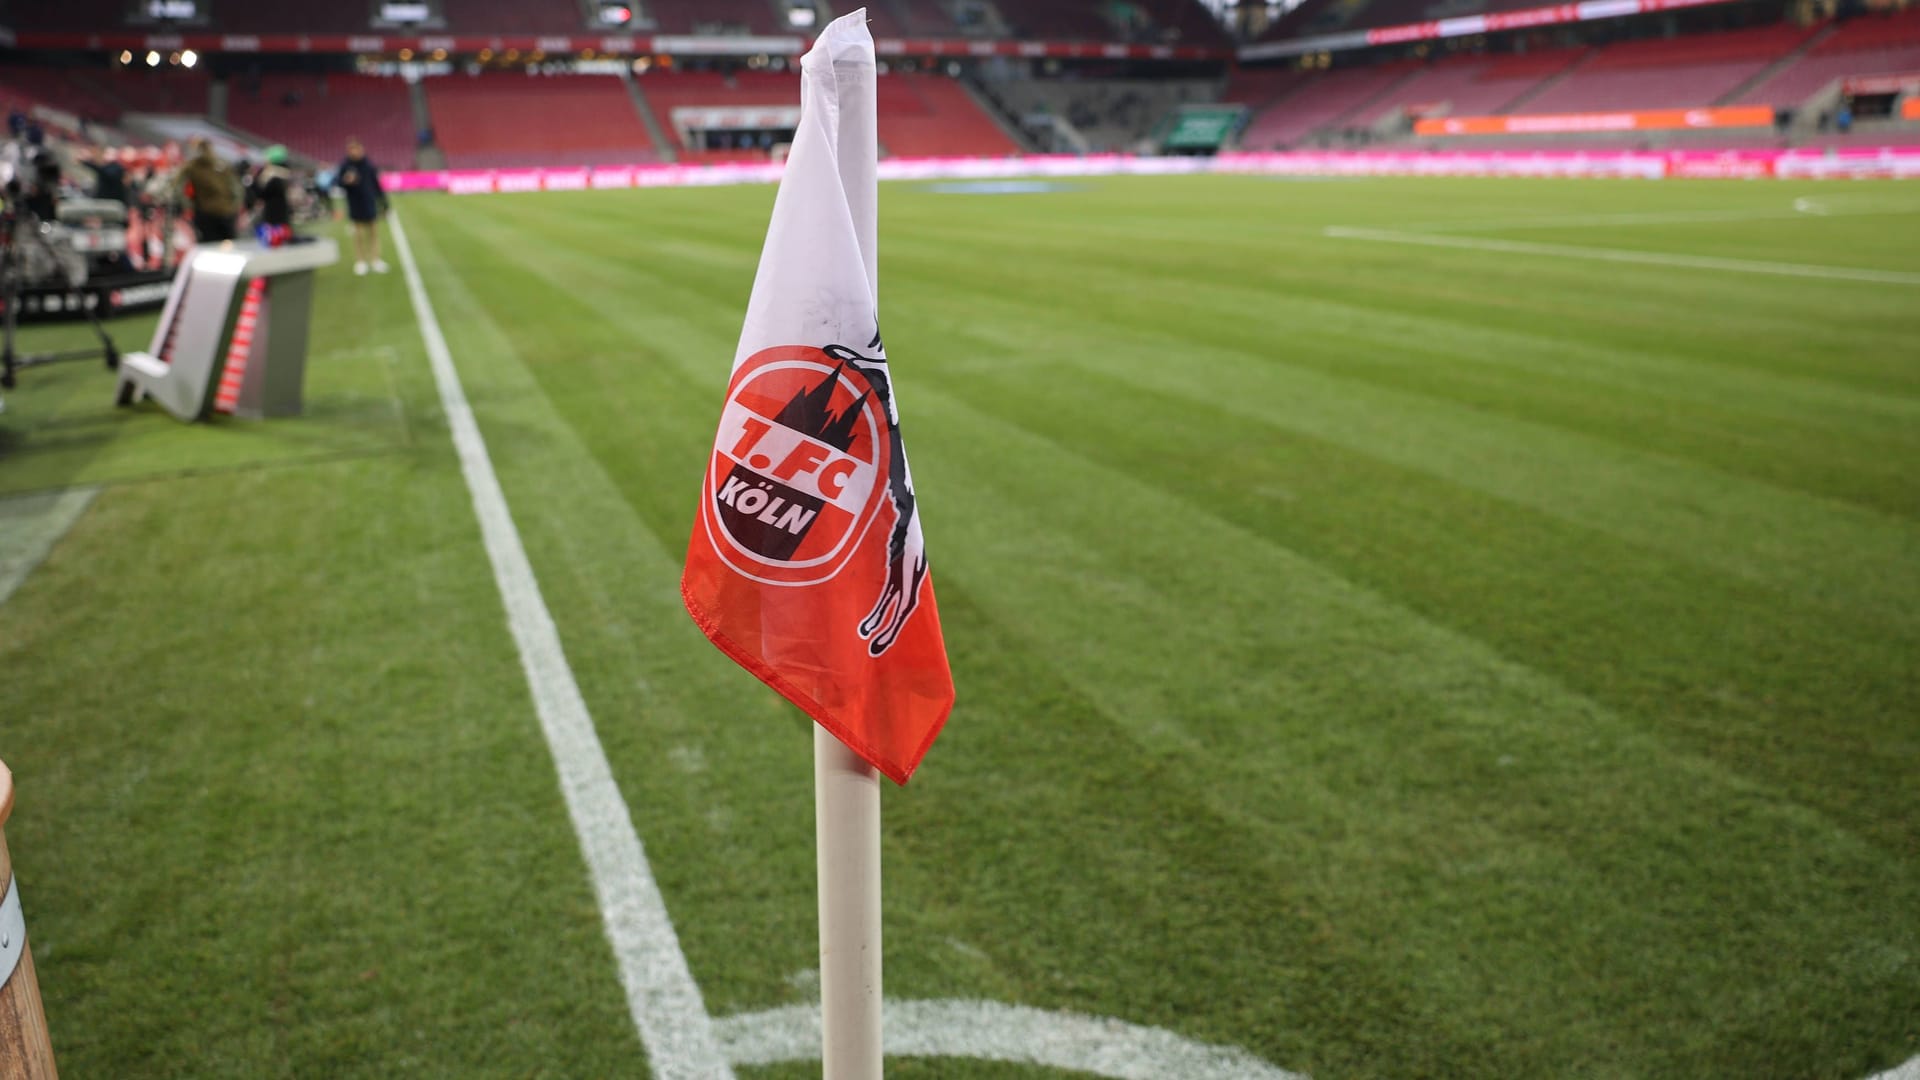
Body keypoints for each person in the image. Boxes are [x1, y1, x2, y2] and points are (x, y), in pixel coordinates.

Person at [332, 137, 388, 275]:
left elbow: (376, 184)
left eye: (357, 149)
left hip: (369, 202)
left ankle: (375, 260)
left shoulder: (368, 164)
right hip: (354, 203)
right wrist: (346, 181)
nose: (356, 152)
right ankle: (361, 261)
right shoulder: (345, 165)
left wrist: (384, 202)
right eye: (352, 150)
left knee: (373, 233)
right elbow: (338, 183)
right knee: (358, 234)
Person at [178, 137, 239, 243]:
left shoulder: (192, 166)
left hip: (206, 213)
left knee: (210, 245)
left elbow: (179, 187)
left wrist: (188, 206)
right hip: (225, 212)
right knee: (229, 245)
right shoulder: (223, 164)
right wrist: (233, 207)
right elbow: (236, 189)